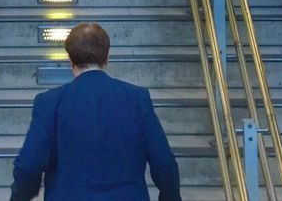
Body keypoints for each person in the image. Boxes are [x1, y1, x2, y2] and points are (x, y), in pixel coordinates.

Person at [10, 22, 180, 201]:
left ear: (70, 60)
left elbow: (28, 166)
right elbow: (164, 162)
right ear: (107, 57)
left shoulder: (49, 102)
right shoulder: (137, 98)